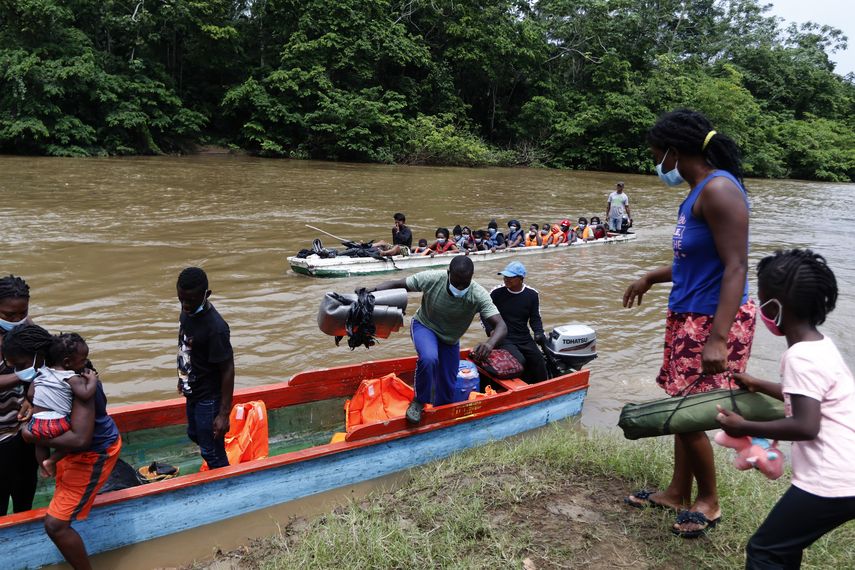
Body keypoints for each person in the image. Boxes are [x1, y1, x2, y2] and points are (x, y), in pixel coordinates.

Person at [622, 109, 755, 538]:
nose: (658, 164)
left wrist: (718, 339)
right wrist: (650, 277)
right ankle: (678, 491)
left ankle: (709, 502)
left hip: (713, 321)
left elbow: (736, 267)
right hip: (689, 313)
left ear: (676, 152)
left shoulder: (719, 191)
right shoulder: (697, 192)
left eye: (658, 155)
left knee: (693, 413)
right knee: (682, 409)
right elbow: (694, 262)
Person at [714, 250, 854, 568]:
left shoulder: (799, 357)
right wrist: (759, 384)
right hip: (849, 472)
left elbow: (806, 425)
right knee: (785, 546)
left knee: (765, 550)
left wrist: (743, 426)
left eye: (762, 300)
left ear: (776, 307)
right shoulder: (820, 346)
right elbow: (808, 396)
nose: (760, 308)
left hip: (831, 479)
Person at [5, 325, 120, 570]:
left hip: (92, 453)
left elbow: (80, 440)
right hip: (71, 448)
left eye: (20, 364)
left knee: (55, 525)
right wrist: (29, 400)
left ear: (39, 357)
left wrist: (29, 436)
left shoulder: (76, 381)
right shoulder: (50, 373)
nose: (17, 371)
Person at [366, 256, 507, 424]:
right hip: (425, 326)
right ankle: (419, 402)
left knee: (448, 380)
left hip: (450, 339)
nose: (460, 287)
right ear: (448, 273)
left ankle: (442, 414)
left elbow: (501, 326)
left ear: (471, 278)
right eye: (456, 282)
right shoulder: (433, 278)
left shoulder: (477, 294)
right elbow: (396, 284)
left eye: (465, 283)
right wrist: (368, 293)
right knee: (429, 358)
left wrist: (490, 344)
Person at [177, 267, 234, 470]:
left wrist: (224, 414)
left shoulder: (215, 328)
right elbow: (187, 346)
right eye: (181, 299)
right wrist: (182, 377)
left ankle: (229, 484)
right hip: (193, 390)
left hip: (208, 397)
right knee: (194, 434)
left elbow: (228, 369)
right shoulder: (187, 312)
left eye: (190, 300)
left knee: (210, 450)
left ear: (206, 295)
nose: (185, 305)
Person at [24, 333, 98, 477]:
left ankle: (43, 467)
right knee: (70, 441)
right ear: (67, 362)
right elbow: (85, 394)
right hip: (57, 424)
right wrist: (92, 380)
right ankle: (52, 461)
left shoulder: (42, 373)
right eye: (83, 360)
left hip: (36, 422)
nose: (85, 363)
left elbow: (31, 394)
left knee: (40, 443)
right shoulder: (71, 377)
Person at [0, 275, 37, 515]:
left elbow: (45, 363)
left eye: (21, 313)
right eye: (8, 315)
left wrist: (31, 397)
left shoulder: (28, 328)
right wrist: (24, 375)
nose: (16, 320)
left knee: (25, 490)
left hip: (24, 428)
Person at [486, 262, 548, 382]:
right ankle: (521, 389)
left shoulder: (532, 295)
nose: (506, 279)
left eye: (510, 277)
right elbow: (485, 314)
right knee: (519, 360)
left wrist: (538, 332)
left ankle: (541, 388)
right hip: (503, 336)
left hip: (523, 337)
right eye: (505, 277)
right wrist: (491, 330)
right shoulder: (496, 293)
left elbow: (535, 318)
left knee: (538, 360)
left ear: (520, 279)